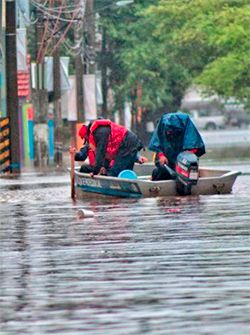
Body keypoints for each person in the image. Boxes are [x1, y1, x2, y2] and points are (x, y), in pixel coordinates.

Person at [77, 119, 147, 177]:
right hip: (129, 144)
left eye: (86, 139)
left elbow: (101, 153)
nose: (87, 143)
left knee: (114, 173)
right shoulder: (100, 133)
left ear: (87, 135)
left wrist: (95, 172)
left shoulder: (98, 133)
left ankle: (120, 191)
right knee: (124, 172)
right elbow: (107, 155)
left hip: (127, 145)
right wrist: (104, 167)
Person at [148, 112, 205, 181]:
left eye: (172, 132)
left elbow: (194, 145)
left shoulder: (186, 125)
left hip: (184, 160)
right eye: (168, 132)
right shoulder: (163, 123)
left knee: (189, 171)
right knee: (160, 171)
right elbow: (157, 142)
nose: (169, 133)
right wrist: (161, 155)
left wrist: (186, 158)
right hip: (167, 160)